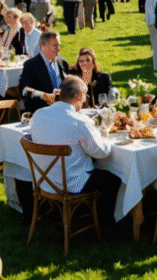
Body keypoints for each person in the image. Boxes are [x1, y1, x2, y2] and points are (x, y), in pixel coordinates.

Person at [28, 75, 121, 222]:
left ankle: (78, 212)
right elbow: (102, 152)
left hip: (44, 181)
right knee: (114, 178)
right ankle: (104, 222)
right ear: (78, 95)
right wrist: (105, 135)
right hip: (71, 183)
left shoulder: (39, 115)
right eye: (84, 96)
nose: (85, 100)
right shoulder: (79, 121)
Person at [18, 30, 69, 113]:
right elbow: (23, 88)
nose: (58, 49)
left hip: (64, 106)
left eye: (59, 45)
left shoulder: (62, 62)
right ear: (43, 46)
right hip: (42, 108)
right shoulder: (31, 65)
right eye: (55, 46)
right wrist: (42, 95)